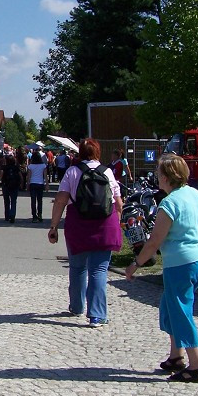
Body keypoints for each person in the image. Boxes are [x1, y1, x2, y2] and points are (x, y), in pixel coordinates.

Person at [125, 153, 198, 383]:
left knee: (180, 311)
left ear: (167, 177)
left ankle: (196, 366)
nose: (157, 177)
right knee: (169, 305)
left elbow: (155, 241)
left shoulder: (169, 203)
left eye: (159, 174)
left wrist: (136, 264)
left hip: (181, 263)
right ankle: (176, 356)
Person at [47, 139, 123, 328]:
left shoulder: (72, 172)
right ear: (98, 152)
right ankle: (97, 315)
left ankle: (77, 306)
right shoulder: (107, 172)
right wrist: (117, 223)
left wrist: (54, 226)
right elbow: (118, 202)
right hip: (104, 225)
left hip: (78, 225)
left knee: (77, 267)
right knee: (98, 270)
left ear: (80, 152)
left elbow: (60, 201)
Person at [0, 153, 21, 223]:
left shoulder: (4, 167)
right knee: (13, 201)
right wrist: (21, 183)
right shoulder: (16, 167)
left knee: (6, 201)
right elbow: (20, 176)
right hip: (14, 185)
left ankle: (7, 216)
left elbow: (0, 176)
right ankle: (12, 215)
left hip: (6, 185)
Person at [27, 150, 47, 223]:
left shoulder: (30, 166)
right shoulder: (43, 166)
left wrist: (27, 185)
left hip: (33, 183)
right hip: (40, 183)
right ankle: (40, 214)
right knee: (39, 200)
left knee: (33, 201)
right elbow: (45, 176)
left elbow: (28, 177)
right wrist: (47, 185)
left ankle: (34, 216)